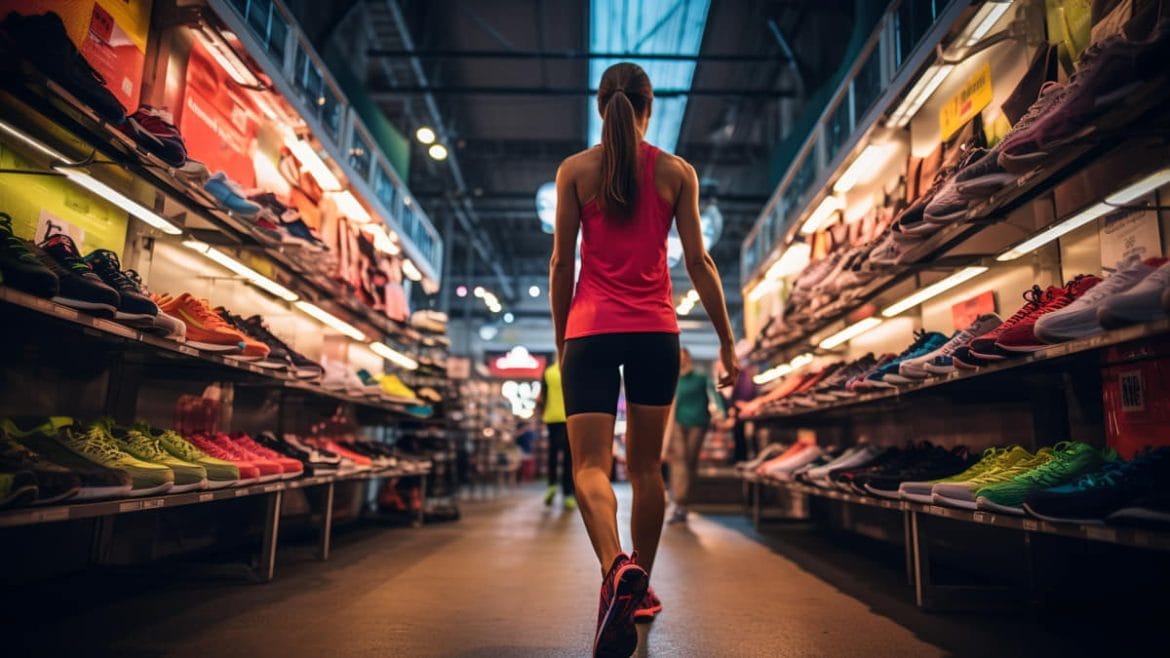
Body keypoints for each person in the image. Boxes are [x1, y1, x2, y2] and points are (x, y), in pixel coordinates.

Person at [549, 62, 738, 657]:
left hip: (592, 333)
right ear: (648, 107)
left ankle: (614, 569)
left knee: (589, 469)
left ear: (601, 105)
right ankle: (642, 587)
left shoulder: (575, 171)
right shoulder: (677, 173)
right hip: (656, 332)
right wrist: (728, 343)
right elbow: (699, 263)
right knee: (647, 469)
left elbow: (562, 265)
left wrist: (563, 338)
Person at [665, 347, 724, 524]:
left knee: (690, 462)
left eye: (683, 357)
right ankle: (679, 501)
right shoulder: (674, 380)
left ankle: (685, 502)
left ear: (688, 358)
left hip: (698, 422)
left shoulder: (700, 377)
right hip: (677, 423)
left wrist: (721, 412)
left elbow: (713, 395)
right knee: (679, 460)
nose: (681, 360)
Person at [537, 358, 576, 510]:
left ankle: (552, 485)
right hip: (569, 417)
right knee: (569, 456)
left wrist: (540, 415)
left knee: (553, 452)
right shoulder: (572, 367)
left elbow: (542, 398)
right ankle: (567, 493)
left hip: (551, 418)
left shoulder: (548, 372)